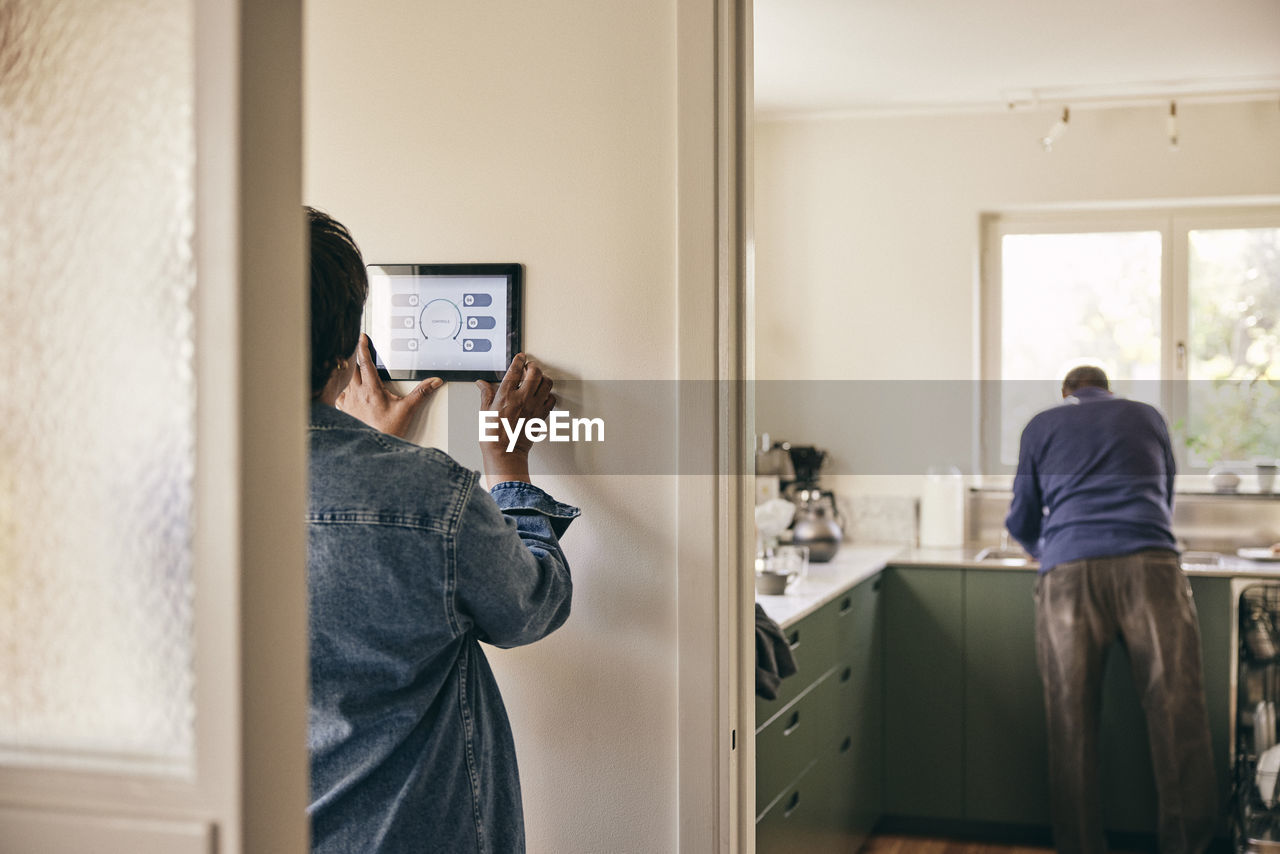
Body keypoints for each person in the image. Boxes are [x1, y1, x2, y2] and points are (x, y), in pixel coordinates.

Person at [305, 206, 578, 854]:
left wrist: (376, 453)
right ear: (348, 352)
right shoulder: (432, 496)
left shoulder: (162, 498)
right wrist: (507, 465)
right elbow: (531, 608)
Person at [1005, 365, 1216, 854]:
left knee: (1070, 720)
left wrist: (1051, 546)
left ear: (1067, 394)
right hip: (1151, 565)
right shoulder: (1147, 416)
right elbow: (1164, 495)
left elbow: (1020, 517)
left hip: (1069, 574)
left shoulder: (1041, 424)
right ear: (1108, 389)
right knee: (1176, 714)